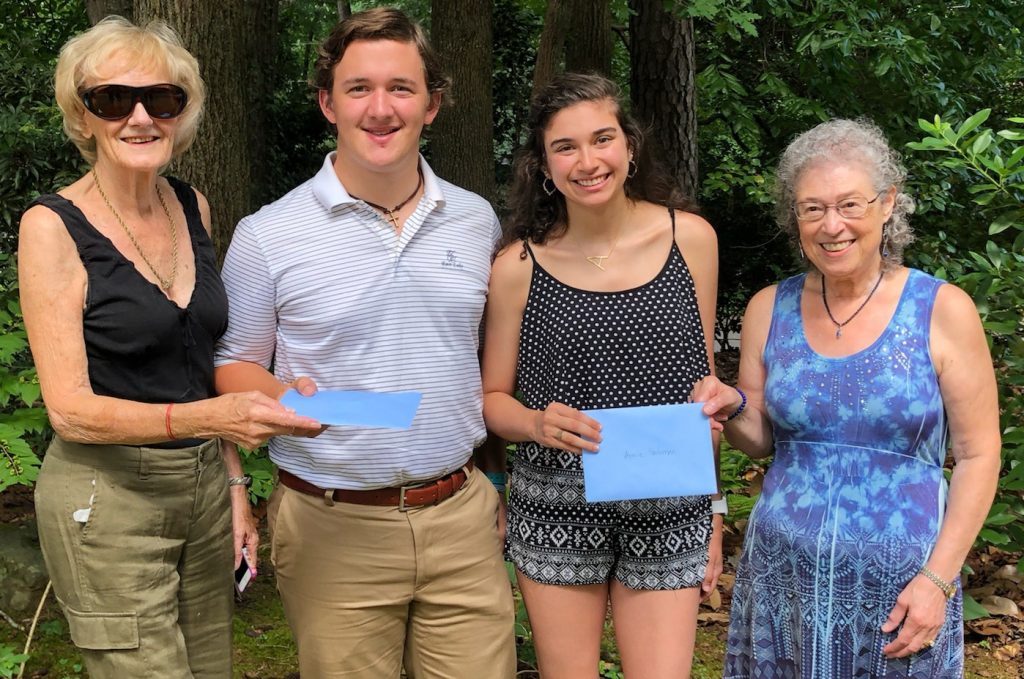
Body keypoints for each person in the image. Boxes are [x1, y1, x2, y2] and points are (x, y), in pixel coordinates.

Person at [212, 7, 515, 678]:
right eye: (359, 89)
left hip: (460, 514)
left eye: (401, 88)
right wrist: (283, 396)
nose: (381, 109)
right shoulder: (268, 234)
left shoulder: (475, 219)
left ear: (432, 104)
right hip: (331, 523)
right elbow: (232, 364)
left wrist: (493, 483)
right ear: (328, 103)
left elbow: (481, 365)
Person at [18, 16, 321, 679]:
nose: (138, 116)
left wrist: (236, 484)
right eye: (112, 99)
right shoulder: (51, 226)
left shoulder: (192, 206)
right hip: (108, 497)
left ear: (181, 112)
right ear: (83, 112)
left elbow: (199, 369)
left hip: (204, 490)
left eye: (161, 99)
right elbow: (69, 411)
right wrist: (212, 419)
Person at [692, 119, 1001, 678]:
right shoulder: (770, 307)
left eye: (849, 205)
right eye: (812, 208)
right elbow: (760, 440)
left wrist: (938, 579)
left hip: (903, 593)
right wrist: (733, 405)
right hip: (781, 583)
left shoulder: (941, 309)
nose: (832, 225)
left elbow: (980, 455)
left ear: (888, 204)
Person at [481, 72, 724, 679]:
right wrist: (535, 423)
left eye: (602, 139)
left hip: (670, 502)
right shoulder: (517, 265)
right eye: (565, 147)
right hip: (557, 505)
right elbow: (490, 400)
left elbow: (706, 389)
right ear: (543, 164)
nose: (587, 161)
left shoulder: (689, 239)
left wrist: (715, 510)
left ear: (630, 146)